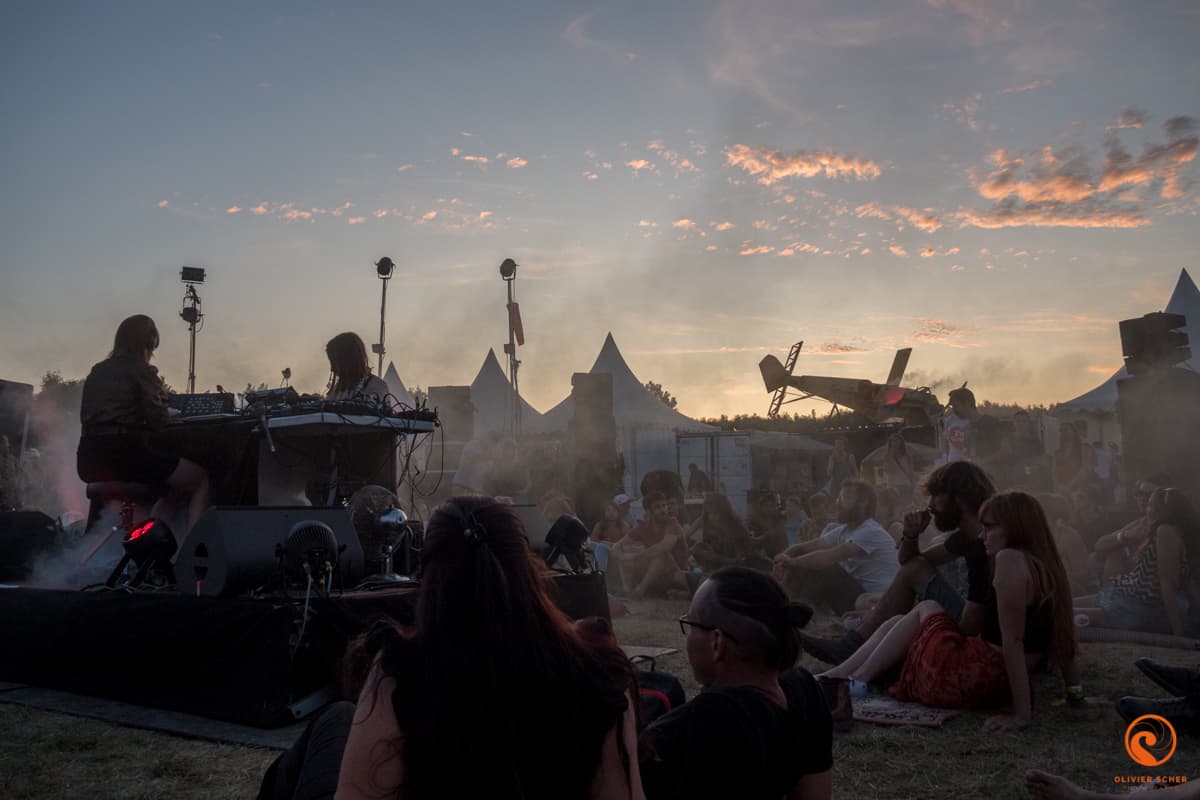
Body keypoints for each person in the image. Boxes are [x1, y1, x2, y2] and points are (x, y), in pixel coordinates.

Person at [308, 497, 644, 800]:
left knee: (335, 719)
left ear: (429, 580)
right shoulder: (598, 670)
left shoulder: (401, 670)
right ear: (530, 569)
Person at [822, 492, 1079, 731]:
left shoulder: (1009, 559)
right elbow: (1064, 636)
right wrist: (1076, 693)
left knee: (927, 606)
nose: (982, 536)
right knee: (902, 618)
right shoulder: (1048, 567)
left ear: (1016, 528)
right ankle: (840, 676)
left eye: (989, 527)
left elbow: (1013, 642)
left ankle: (851, 680)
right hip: (989, 679)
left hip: (976, 675)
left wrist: (1021, 715)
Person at [640, 567, 832, 800]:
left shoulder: (703, 722)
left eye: (690, 625)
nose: (689, 636)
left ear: (717, 642)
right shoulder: (803, 688)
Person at [798, 461, 996, 666]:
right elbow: (911, 563)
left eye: (936, 495)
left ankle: (852, 647)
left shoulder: (987, 544)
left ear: (960, 497)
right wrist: (911, 535)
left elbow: (971, 624)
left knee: (898, 611)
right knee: (912, 573)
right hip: (966, 619)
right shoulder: (965, 537)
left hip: (980, 636)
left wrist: (921, 618)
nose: (930, 505)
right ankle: (852, 646)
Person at [77, 314, 210, 533]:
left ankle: (147, 543)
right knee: (199, 479)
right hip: (123, 457)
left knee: (174, 486)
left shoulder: (97, 371)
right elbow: (158, 420)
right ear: (150, 341)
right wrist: (167, 411)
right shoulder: (142, 371)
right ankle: (193, 550)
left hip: (88, 461)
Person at [1074, 487, 1200, 637]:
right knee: (1061, 603)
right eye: (1149, 505)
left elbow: (1168, 585)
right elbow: (1100, 544)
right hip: (1123, 596)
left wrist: (1178, 633)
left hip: (1135, 608)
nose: (1149, 510)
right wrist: (1126, 536)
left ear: (1169, 510)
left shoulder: (1165, 531)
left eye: (1155, 506)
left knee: (1062, 613)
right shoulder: (1163, 529)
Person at [772, 480, 899, 615]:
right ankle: (786, 605)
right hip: (857, 595)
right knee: (803, 561)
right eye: (839, 497)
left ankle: (797, 612)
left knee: (824, 568)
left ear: (863, 502)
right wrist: (782, 559)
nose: (837, 502)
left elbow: (827, 557)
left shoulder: (871, 531)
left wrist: (791, 562)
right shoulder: (844, 530)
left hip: (875, 602)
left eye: (845, 497)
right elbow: (806, 547)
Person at [612, 492, 690, 598]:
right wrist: (624, 556)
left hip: (676, 573)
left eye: (664, 506)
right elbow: (617, 546)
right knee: (626, 549)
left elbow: (664, 547)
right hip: (655, 574)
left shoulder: (672, 523)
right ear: (648, 511)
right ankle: (627, 590)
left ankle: (640, 590)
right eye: (658, 507)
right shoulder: (643, 526)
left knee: (661, 554)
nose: (663, 510)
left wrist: (636, 557)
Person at [1036, 493, 1091, 593]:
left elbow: (1085, 575)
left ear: (1047, 513)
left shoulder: (1069, 536)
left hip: (1073, 591)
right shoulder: (1038, 537)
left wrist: (1056, 576)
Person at [690, 493, 755, 573]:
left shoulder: (736, 530)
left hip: (734, 572)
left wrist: (719, 558)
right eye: (709, 513)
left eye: (715, 513)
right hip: (713, 572)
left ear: (724, 512)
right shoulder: (709, 526)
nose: (711, 517)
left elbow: (742, 561)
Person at [324, 332, 391, 404]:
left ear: (348, 361)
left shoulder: (377, 386)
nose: (332, 369)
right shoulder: (336, 391)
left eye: (335, 363)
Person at [882, 434, 917, 501]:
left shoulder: (907, 456)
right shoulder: (887, 457)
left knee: (907, 503)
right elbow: (890, 470)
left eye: (896, 441)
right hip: (893, 486)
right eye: (892, 441)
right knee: (896, 504)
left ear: (901, 442)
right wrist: (891, 456)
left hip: (906, 484)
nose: (894, 443)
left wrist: (913, 484)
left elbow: (911, 471)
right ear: (890, 443)